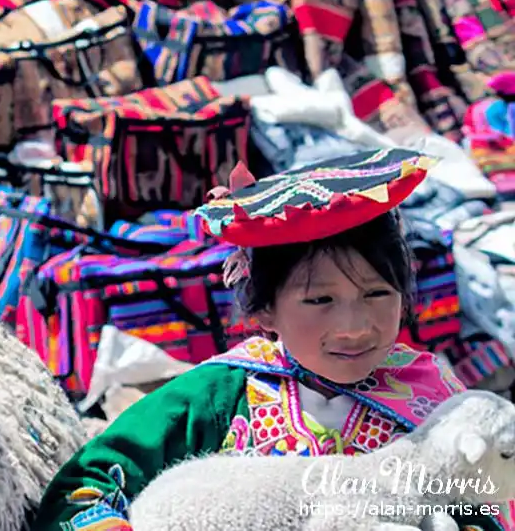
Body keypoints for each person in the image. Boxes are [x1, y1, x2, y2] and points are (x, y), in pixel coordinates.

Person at [30, 148, 509, 531]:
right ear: (264, 310)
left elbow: (475, 498)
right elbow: (87, 486)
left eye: (377, 293)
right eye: (320, 301)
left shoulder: (432, 395)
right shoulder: (220, 395)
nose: (355, 325)